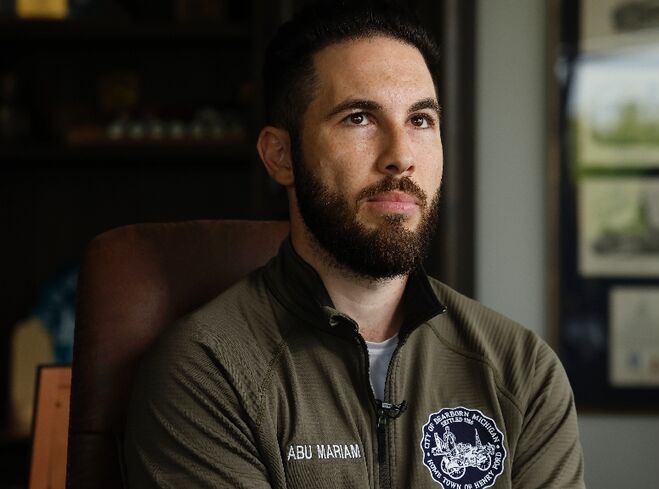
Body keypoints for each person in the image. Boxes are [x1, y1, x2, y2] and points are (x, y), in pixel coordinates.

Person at [124, 2, 585, 488]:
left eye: (421, 121)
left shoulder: (522, 372)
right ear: (280, 156)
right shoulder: (208, 371)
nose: (401, 156)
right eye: (360, 118)